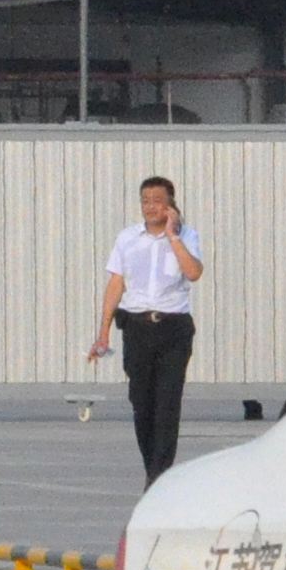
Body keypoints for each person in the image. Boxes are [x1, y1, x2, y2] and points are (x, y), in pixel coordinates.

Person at [89, 175, 205, 481]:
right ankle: (152, 469)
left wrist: (173, 236)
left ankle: (158, 477)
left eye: (157, 200)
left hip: (173, 328)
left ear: (170, 204)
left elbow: (193, 273)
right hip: (137, 328)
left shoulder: (187, 236)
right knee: (142, 404)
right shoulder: (127, 238)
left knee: (167, 404)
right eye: (146, 201)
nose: (150, 206)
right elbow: (116, 284)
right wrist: (102, 334)